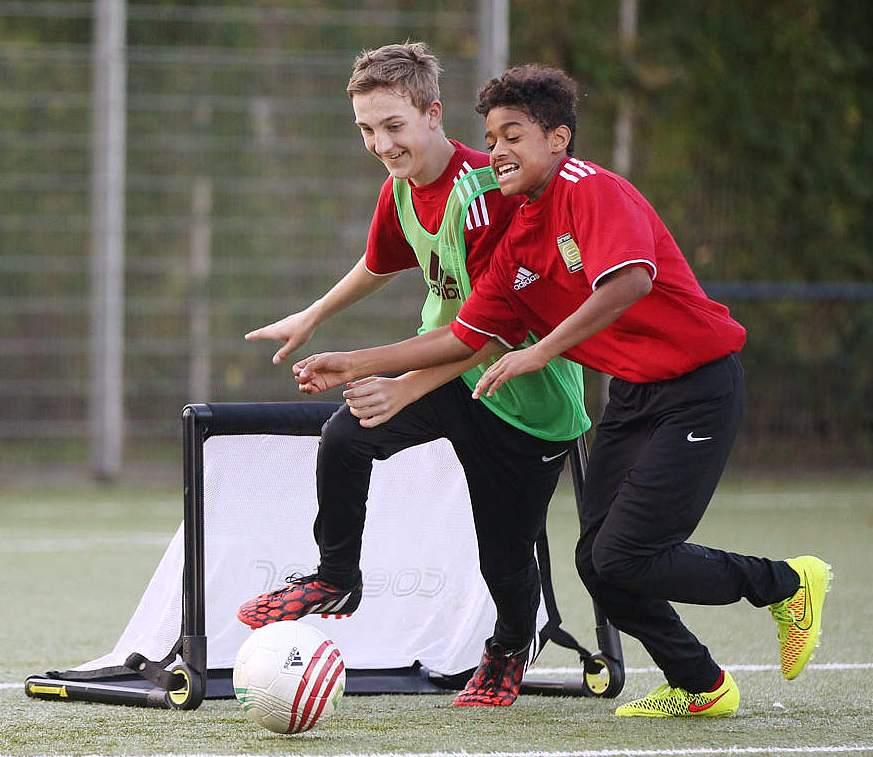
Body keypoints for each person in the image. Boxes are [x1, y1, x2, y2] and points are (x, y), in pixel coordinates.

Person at [291, 65, 831, 719]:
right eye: (490, 138)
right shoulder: (516, 233)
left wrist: (542, 351)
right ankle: (702, 683)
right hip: (635, 397)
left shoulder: (590, 188)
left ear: (558, 139)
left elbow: (630, 280)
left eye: (514, 136)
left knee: (627, 554)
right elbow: (465, 338)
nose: (497, 152)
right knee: (599, 566)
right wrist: (353, 362)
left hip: (701, 389)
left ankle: (787, 584)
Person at [236, 44, 591, 707]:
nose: (380, 143)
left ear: (433, 115)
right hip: (451, 373)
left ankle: (511, 644)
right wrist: (313, 316)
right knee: (348, 435)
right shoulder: (401, 188)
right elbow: (380, 262)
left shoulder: (487, 193)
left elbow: (495, 332)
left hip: (522, 394)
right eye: (367, 129)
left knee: (505, 562)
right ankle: (337, 576)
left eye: (393, 126)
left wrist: (404, 384)